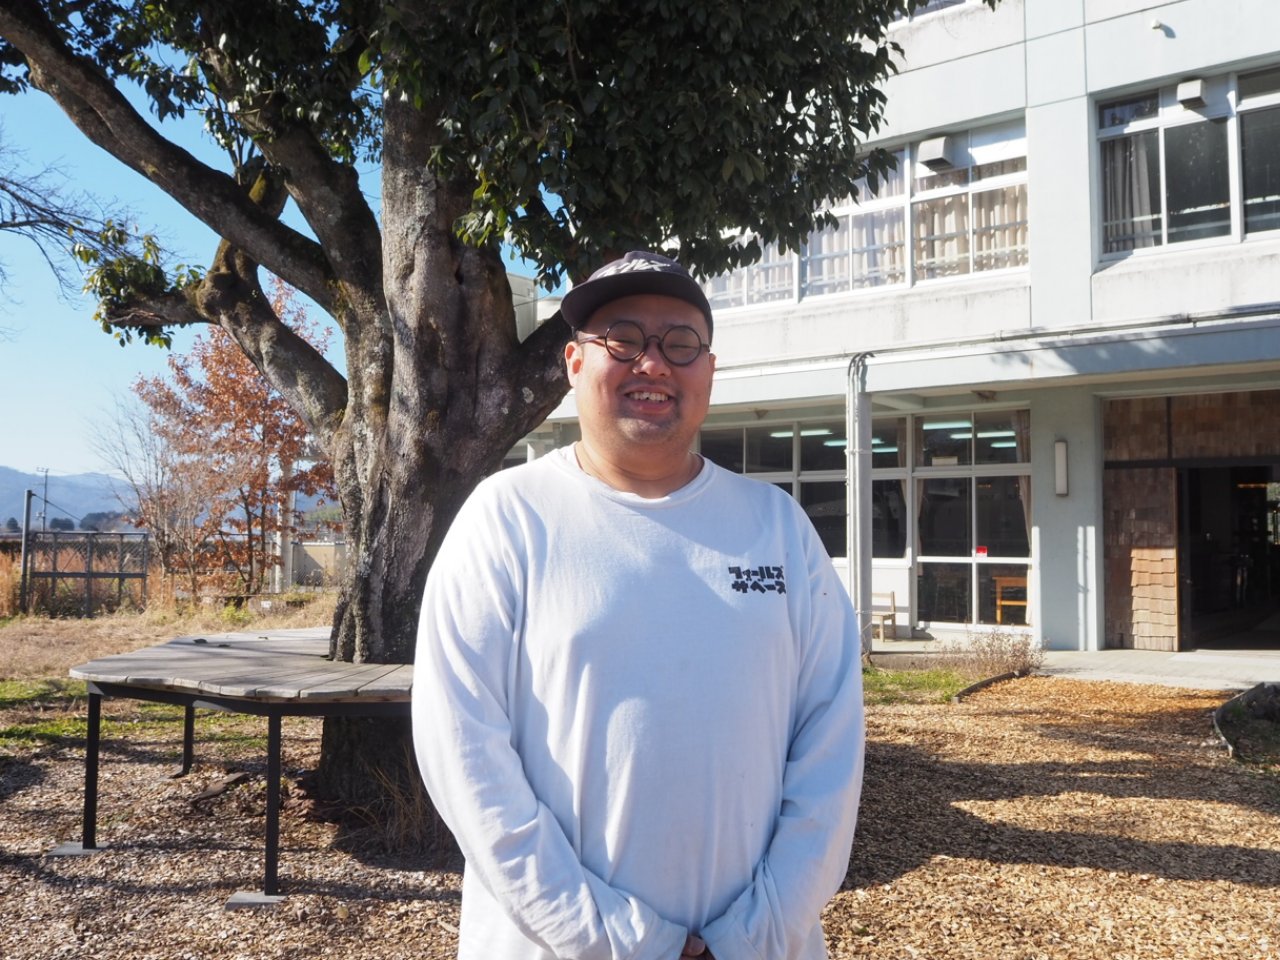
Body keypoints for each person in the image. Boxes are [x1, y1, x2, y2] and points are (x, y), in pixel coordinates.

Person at [412, 250, 865, 960]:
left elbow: (830, 751)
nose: (652, 363)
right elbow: (466, 760)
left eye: (680, 343)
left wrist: (754, 935)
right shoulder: (507, 519)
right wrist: (620, 942)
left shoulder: (777, 528)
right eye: (622, 339)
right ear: (573, 363)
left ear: (708, 371)